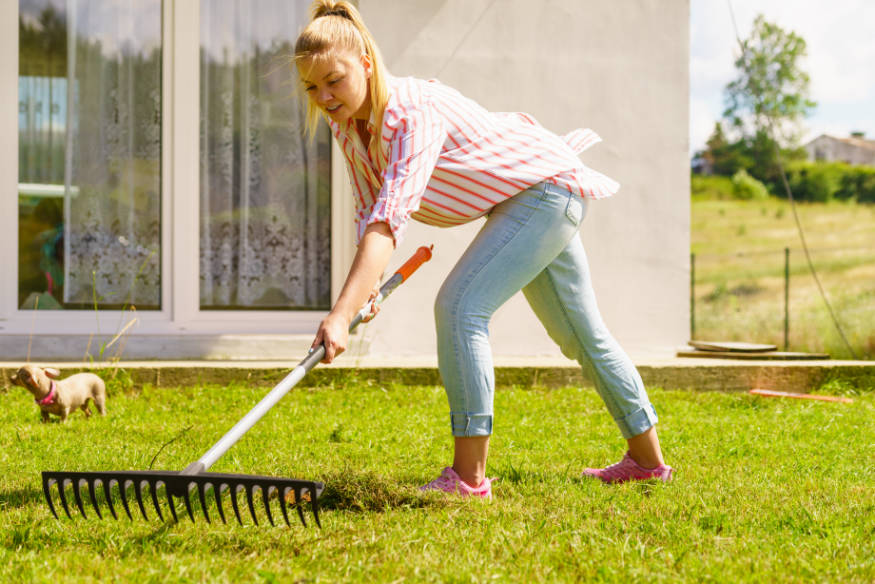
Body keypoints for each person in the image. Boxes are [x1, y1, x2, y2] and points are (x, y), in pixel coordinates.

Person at [295, 0, 673, 498]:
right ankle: (648, 463)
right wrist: (361, 295)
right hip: (524, 197)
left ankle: (468, 478)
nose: (324, 96)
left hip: (544, 191)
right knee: (580, 333)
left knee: (460, 308)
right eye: (312, 87)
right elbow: (370, 217)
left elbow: (389, 221)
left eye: (334, 80)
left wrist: (340, 314)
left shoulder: (411, 112)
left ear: (366, 61)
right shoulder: (349, 128)